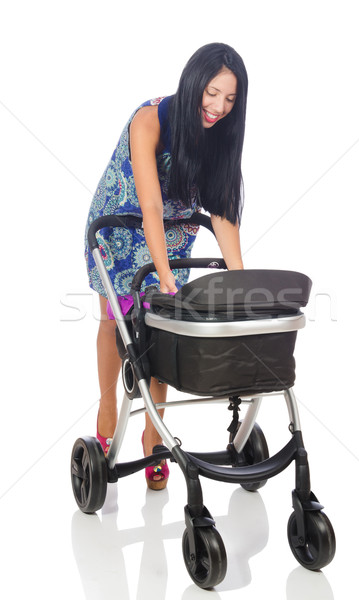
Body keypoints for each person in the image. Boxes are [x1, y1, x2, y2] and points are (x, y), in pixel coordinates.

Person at [84, 42, 248, 490]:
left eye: (230, 99)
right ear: (194, 83)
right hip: (121, 224)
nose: (218, 107)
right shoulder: (149, 120)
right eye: (212, 93)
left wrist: (240, 279)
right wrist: (167, 277)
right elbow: (150, 205)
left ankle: (153, 438)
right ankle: (106, 406)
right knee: (114, 323)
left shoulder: (221, 134)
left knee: (159, 332)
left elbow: (222, 212)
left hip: (174, 232)